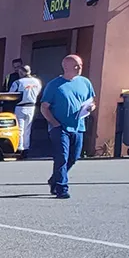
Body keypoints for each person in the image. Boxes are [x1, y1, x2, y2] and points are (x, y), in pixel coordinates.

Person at [40, 55, 95, 199]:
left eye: (81, 65)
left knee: (73, 157)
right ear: (66, 67)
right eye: (76, 65)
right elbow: (44, 107)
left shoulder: (85, 83)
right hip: (59, 128)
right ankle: (61, 188)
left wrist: (90, 108)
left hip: (78, 127)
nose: (79, 68)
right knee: (61, 157)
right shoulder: (54, 85)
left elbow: (91, 102)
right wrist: (55, 124)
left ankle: (55, 179)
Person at [10, 64, 43, 155]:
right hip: (32, 106)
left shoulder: (18, 82)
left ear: (21, 72)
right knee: (28, 128)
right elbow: (38, 93)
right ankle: (26, 147)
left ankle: (19, 148)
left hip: (20, 106)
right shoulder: (37, 82)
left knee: (20, 128)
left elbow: (11, 95)